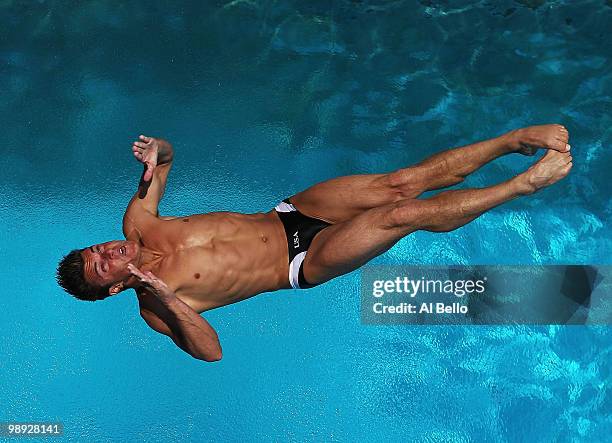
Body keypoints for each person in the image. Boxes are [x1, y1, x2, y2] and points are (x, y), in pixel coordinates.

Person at [56, 124, 572, 361]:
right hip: (303, 262)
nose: (107, 253)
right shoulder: (154, 308)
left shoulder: (139, 221)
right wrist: (168, 297)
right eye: (102, 267)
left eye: (95, 250)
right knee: (402, 214)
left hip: (291, 213)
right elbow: (211, 353)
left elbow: (166, 158)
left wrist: (157, 149)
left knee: (401, 183)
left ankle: (511, 142)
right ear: (115, 290)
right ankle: (523, 184)